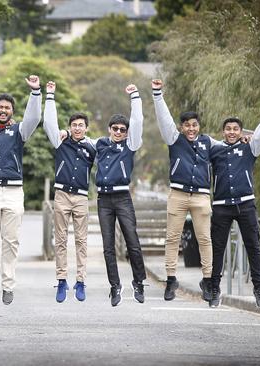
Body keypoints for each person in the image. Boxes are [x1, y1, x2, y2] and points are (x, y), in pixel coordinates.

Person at [0, 75, 42, 306]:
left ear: (12, 111)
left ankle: (8, 285)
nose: (3, 110)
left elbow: (33, 118)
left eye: (7, 107)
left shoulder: (20, 132)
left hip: (13, 191)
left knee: (11, 241)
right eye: (0, 107)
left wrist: (35, 92)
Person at [209, 89, 260, 308]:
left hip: (246, 204)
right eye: (228, 129)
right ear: (222, 132)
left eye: (235, 129)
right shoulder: (214, 149)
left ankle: (259, 289)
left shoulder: (250, 147)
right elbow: (195, 142)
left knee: (253, 247)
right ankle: (214, 289)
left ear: (241, 132)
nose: (231, 132)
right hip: (221, 207)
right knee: (217, 249)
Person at [152, 79, 215, 302]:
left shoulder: (209, 143)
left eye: (194, 125)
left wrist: (244, 140)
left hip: (201, 196)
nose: (191, 128)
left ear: (199, 126)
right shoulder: (174, 139)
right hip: (178, 194)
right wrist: (157, 94)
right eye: (187, 125)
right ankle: (171, 280)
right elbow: (164, 118)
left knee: (205, 239)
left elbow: (230, 145)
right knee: (172, 238)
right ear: (181, 127)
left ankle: (207, 280)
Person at [42, 82, 96, 303]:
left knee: (82, 241)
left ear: (86, 127)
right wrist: (50, 95)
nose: (77, 128)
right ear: (70, 126)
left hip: (81, 197)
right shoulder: (61, 141)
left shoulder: (92, 146)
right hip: (62, 195)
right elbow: (48, 123)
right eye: (74, 125)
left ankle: (81, 281)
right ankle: (62, 280)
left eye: (81, 125)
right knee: (61, 239)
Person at [94, 84, 146, 307]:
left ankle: (139, 282)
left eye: (122, 130)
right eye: (114, 129)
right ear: (109, 129)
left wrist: (134, 96)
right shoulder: (100, 145)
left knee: (132, 242)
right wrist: (67, 132)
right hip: (103, 200)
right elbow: (79, 138)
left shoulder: (131, 145)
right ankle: (115, 286)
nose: (118, 132)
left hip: (123, 198)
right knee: (108, 247)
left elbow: (138, 122)